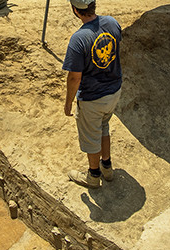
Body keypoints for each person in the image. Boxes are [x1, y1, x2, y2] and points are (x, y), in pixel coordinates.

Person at [62, 0, 122, 188]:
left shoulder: (78, 39)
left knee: (91, 136)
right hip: (114, 91)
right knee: (104, 127)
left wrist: (68, 102)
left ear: (75, 10)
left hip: (93, 98)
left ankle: (93, 176)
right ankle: (107, 167)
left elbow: (74, 78)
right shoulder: (112, 23)